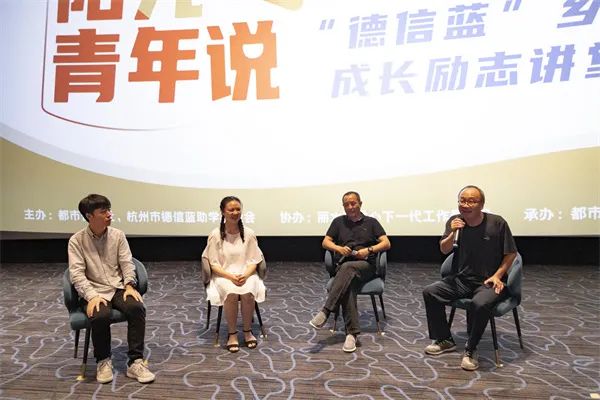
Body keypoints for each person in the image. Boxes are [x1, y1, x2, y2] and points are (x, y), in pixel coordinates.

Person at [422, 185, 518, 371]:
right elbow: (444, 249)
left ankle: (471, 349)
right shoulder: (455, 222)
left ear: (481, 204)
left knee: (480, 304)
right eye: (462, 201)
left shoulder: (497, 223)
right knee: (430, 292)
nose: (465, 205)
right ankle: (444, 339)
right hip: (462, 279)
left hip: (489, 281)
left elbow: (511, 253)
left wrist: (498, 275)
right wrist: (452, 232)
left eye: (471, 201)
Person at [68, 194, 155, 384]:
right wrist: (91, 296)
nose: (109, 214)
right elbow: (77, 275)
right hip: (93, 290)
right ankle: (103, 360)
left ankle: (135, 362)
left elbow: (127, 263)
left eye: (109, 209)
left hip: (117, 287)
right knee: (100, 315)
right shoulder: (76, 241)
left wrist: (130, 285)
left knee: (136, 307)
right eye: (103, 211)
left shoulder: (118, 235)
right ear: (89, 216)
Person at [309, 191, 391, 352]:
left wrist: (369, 250)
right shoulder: (338, 222)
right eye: (346, 204)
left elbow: (386, 243)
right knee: (348, 285)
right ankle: (352, 335)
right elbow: (325, 242)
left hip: (365, 265)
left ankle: (326, 311)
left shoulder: (371, 222)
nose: (350, 207)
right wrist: (338, 248)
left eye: (353, 203)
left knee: (348, 269)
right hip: (344, 265)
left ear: (360, 203)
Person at [202, 196, 266, 353]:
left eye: (238, 209)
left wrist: (245, 275)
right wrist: (231, 277)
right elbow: (213, 264)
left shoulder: (249, 233)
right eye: (231, 210)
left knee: (248, 292)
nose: (235, 212)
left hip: (246, 273)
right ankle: (232, 334)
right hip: (223, 275)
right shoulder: (216, 235)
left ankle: (247, 331)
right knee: (231, 292)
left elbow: (254, 260)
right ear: (223, 212)